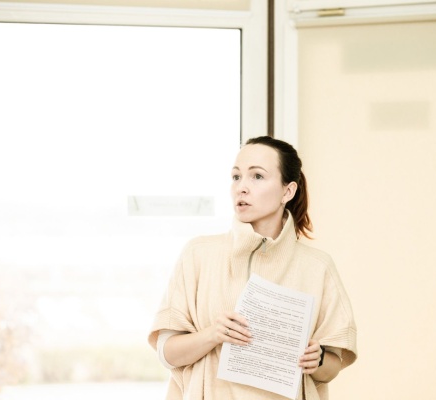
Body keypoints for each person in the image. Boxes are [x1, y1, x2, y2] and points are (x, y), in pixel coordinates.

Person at [148, 136, 357, 399]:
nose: (241, 188)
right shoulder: (198, 254)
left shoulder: (318, 267)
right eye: (236, 177)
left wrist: (319, 359)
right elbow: (166, 353)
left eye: (257, 176)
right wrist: (213, 334)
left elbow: (333, 365)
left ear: (287, 191)